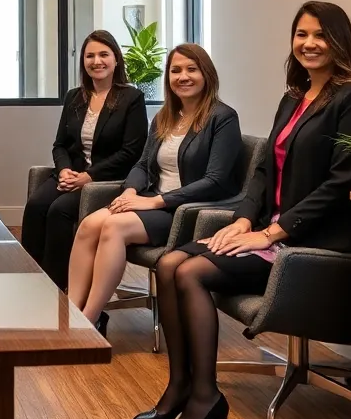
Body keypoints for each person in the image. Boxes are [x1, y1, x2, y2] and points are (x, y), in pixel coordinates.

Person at [139, 2, 351, 419]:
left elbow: (341, 182)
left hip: (315, 243)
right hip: (271, 231)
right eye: (301, 34)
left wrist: (270, 232)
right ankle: (179, 387)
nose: (309, 44)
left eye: (320, 35)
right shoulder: (294, 96)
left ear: (340, 40)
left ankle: (204, 396)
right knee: (169, 264)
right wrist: (243, 219)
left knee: (189, 271)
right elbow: (264, 170)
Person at [67, 44, 243, 335]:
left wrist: (158, 202)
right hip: (152, 202)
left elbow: (216, 180)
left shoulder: (222, 118)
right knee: (88, 225)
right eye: (175, 71)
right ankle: (72, 311)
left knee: (113, 228)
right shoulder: (165, 117)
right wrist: (131, 192)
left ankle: (89, 320)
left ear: (206, 75)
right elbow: (143, 164)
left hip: (186, 211)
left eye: (191, 69)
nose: (183, 77)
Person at [21, 30, 147, 290]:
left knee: (59, 211)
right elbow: (60, 144)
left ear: (116, 60)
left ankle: (56, 287)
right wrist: (65, 169)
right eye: (90, 56)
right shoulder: (74, 97)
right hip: (71, 175)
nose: (96, 61)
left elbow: (131, 152)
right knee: (35, 206)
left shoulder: (131, 99)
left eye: (104, 54)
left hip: (106, 181)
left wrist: (89, 176)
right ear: (83, 62)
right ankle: (31, 280)